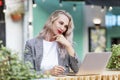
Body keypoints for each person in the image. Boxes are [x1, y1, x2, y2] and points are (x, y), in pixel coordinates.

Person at [24, 10, 80, 76]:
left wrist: (68, 46)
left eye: (66, 26)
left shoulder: (65, 45)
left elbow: (79, 70)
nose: (62, 28)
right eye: (61, 23)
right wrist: (49, 72)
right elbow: (27, 73)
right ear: (52, 20)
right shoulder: (31, 44)